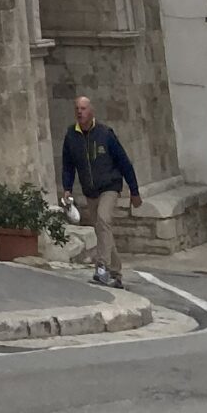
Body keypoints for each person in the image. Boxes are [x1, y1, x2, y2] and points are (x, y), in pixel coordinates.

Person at [60, 93, 141, 286]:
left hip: (109, 186)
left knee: (104, 220)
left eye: (83, 109)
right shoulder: (71, 136)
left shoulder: (105, 134)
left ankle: (102, 267)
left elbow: (124, 162)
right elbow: (68, 165)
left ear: (91, 111)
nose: (80, 112)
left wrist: (134, 191)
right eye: (77, 109)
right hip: (90, 190)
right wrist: (67, 188)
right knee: (102, 229)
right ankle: (116, 274)